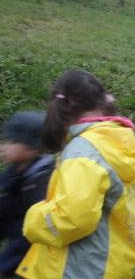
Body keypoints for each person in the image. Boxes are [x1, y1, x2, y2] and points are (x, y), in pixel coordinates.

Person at [16, 71, 135, 279]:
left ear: (61, 107)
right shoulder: (117, 140)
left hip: (78, 268)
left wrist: (33, 218)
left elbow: (72, 218)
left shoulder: (83, 152)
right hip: (109, 263)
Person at [0, 112, 54, 279]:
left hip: (29, 264)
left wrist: (4, 266)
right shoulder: (13, 173)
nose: (4, 147)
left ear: (31, 148)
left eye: (13, 142)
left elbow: (27, 234)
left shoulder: (40, 181)